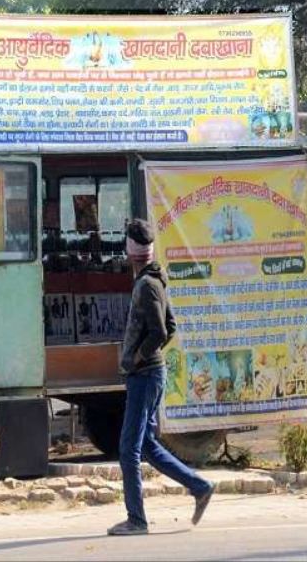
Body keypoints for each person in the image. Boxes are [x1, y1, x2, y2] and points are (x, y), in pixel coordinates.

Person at [108, 219, 215, 536]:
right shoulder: (149, 281)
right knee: (149, 446)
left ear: (131, 251)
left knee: (129, 449)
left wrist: (139, 356)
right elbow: (170, 326)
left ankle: (137, 520)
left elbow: (162, 329)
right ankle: (200, 486)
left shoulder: (148, 286)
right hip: (147, 374)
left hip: (145, 375)